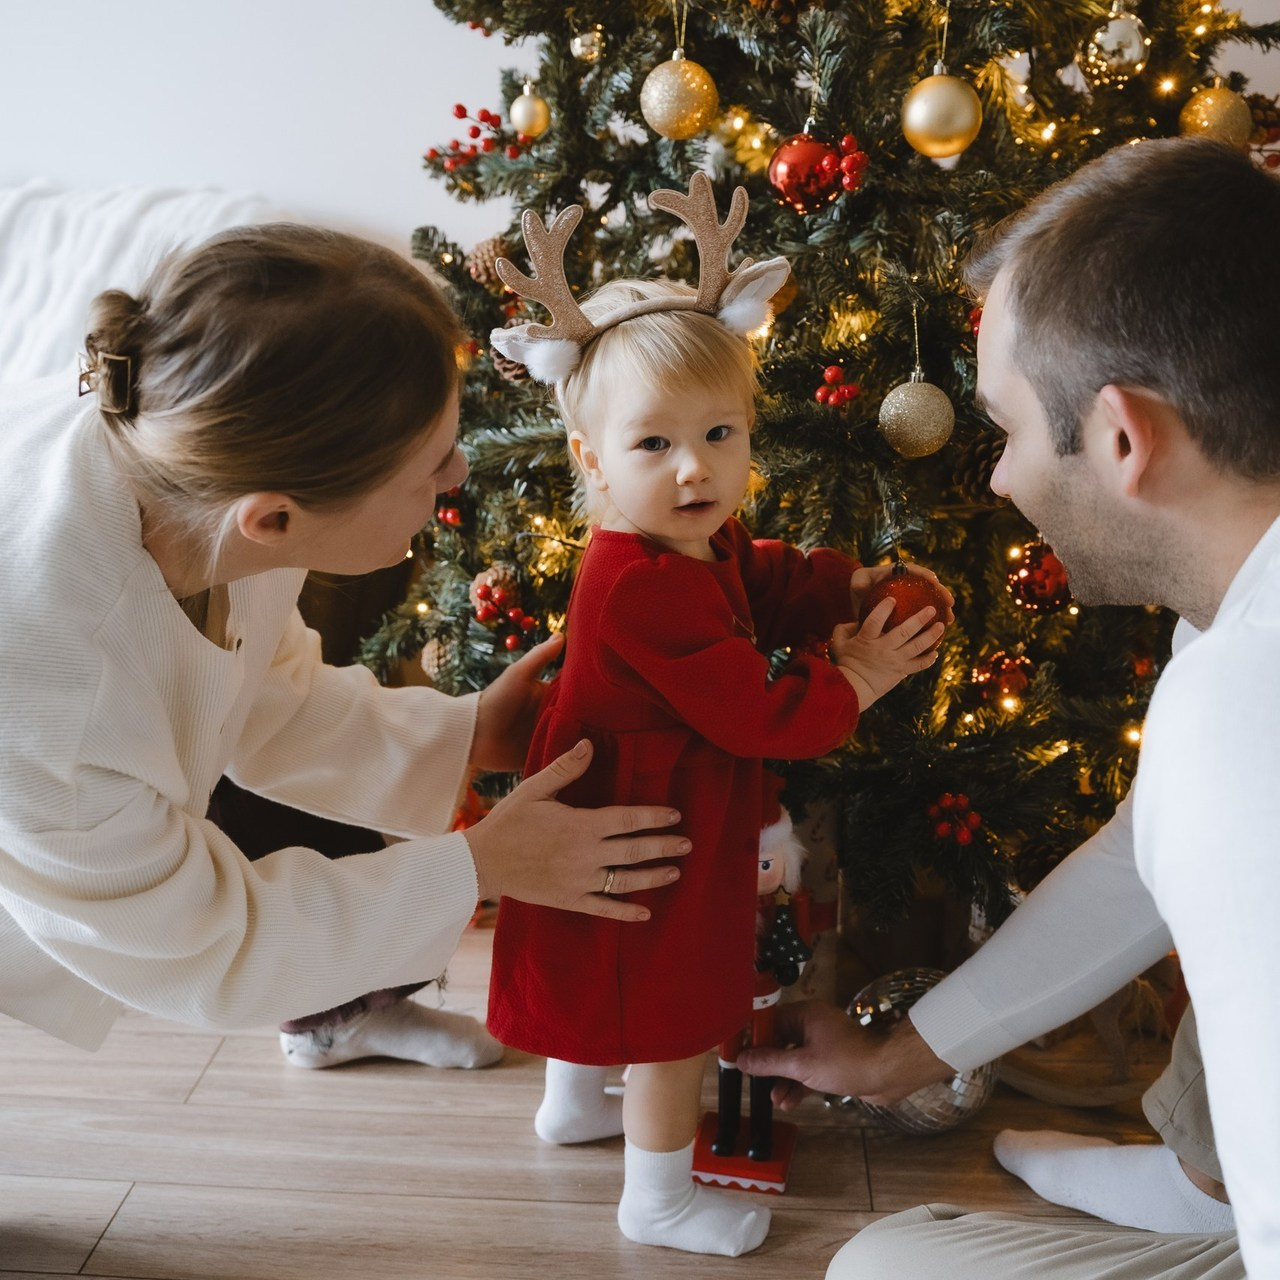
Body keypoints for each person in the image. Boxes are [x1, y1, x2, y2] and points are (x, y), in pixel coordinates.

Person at [737, 135, 1280, 1280]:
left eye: (1005, 428)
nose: (995, 478)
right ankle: (1198, 1187)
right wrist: (904, 1055)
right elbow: (1149, 855)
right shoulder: (1235, 622)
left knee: (882, 1265)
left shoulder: (1238, 703)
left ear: (1122, 438)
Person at [0, 222, 696, 1063]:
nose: (459, 476)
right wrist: (477, 867)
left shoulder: (207, 478)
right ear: (277, 518)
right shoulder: (59, 687)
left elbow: (259, 687)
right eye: (430, 465)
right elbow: (203, 943)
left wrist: (467, 735)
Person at [484, 173, 951, 1257]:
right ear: (589, 459)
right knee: (664, 1015)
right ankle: (655, 1198)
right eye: (653, 445)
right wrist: (860, 678)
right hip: (642, 819)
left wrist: (843, 586)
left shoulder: (687, 542)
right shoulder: (641, 581)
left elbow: (769, 575)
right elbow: (755, 712)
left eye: (720, 432)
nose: (695, 467)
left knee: (606, 966)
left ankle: (570, 1102)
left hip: (630, 798)